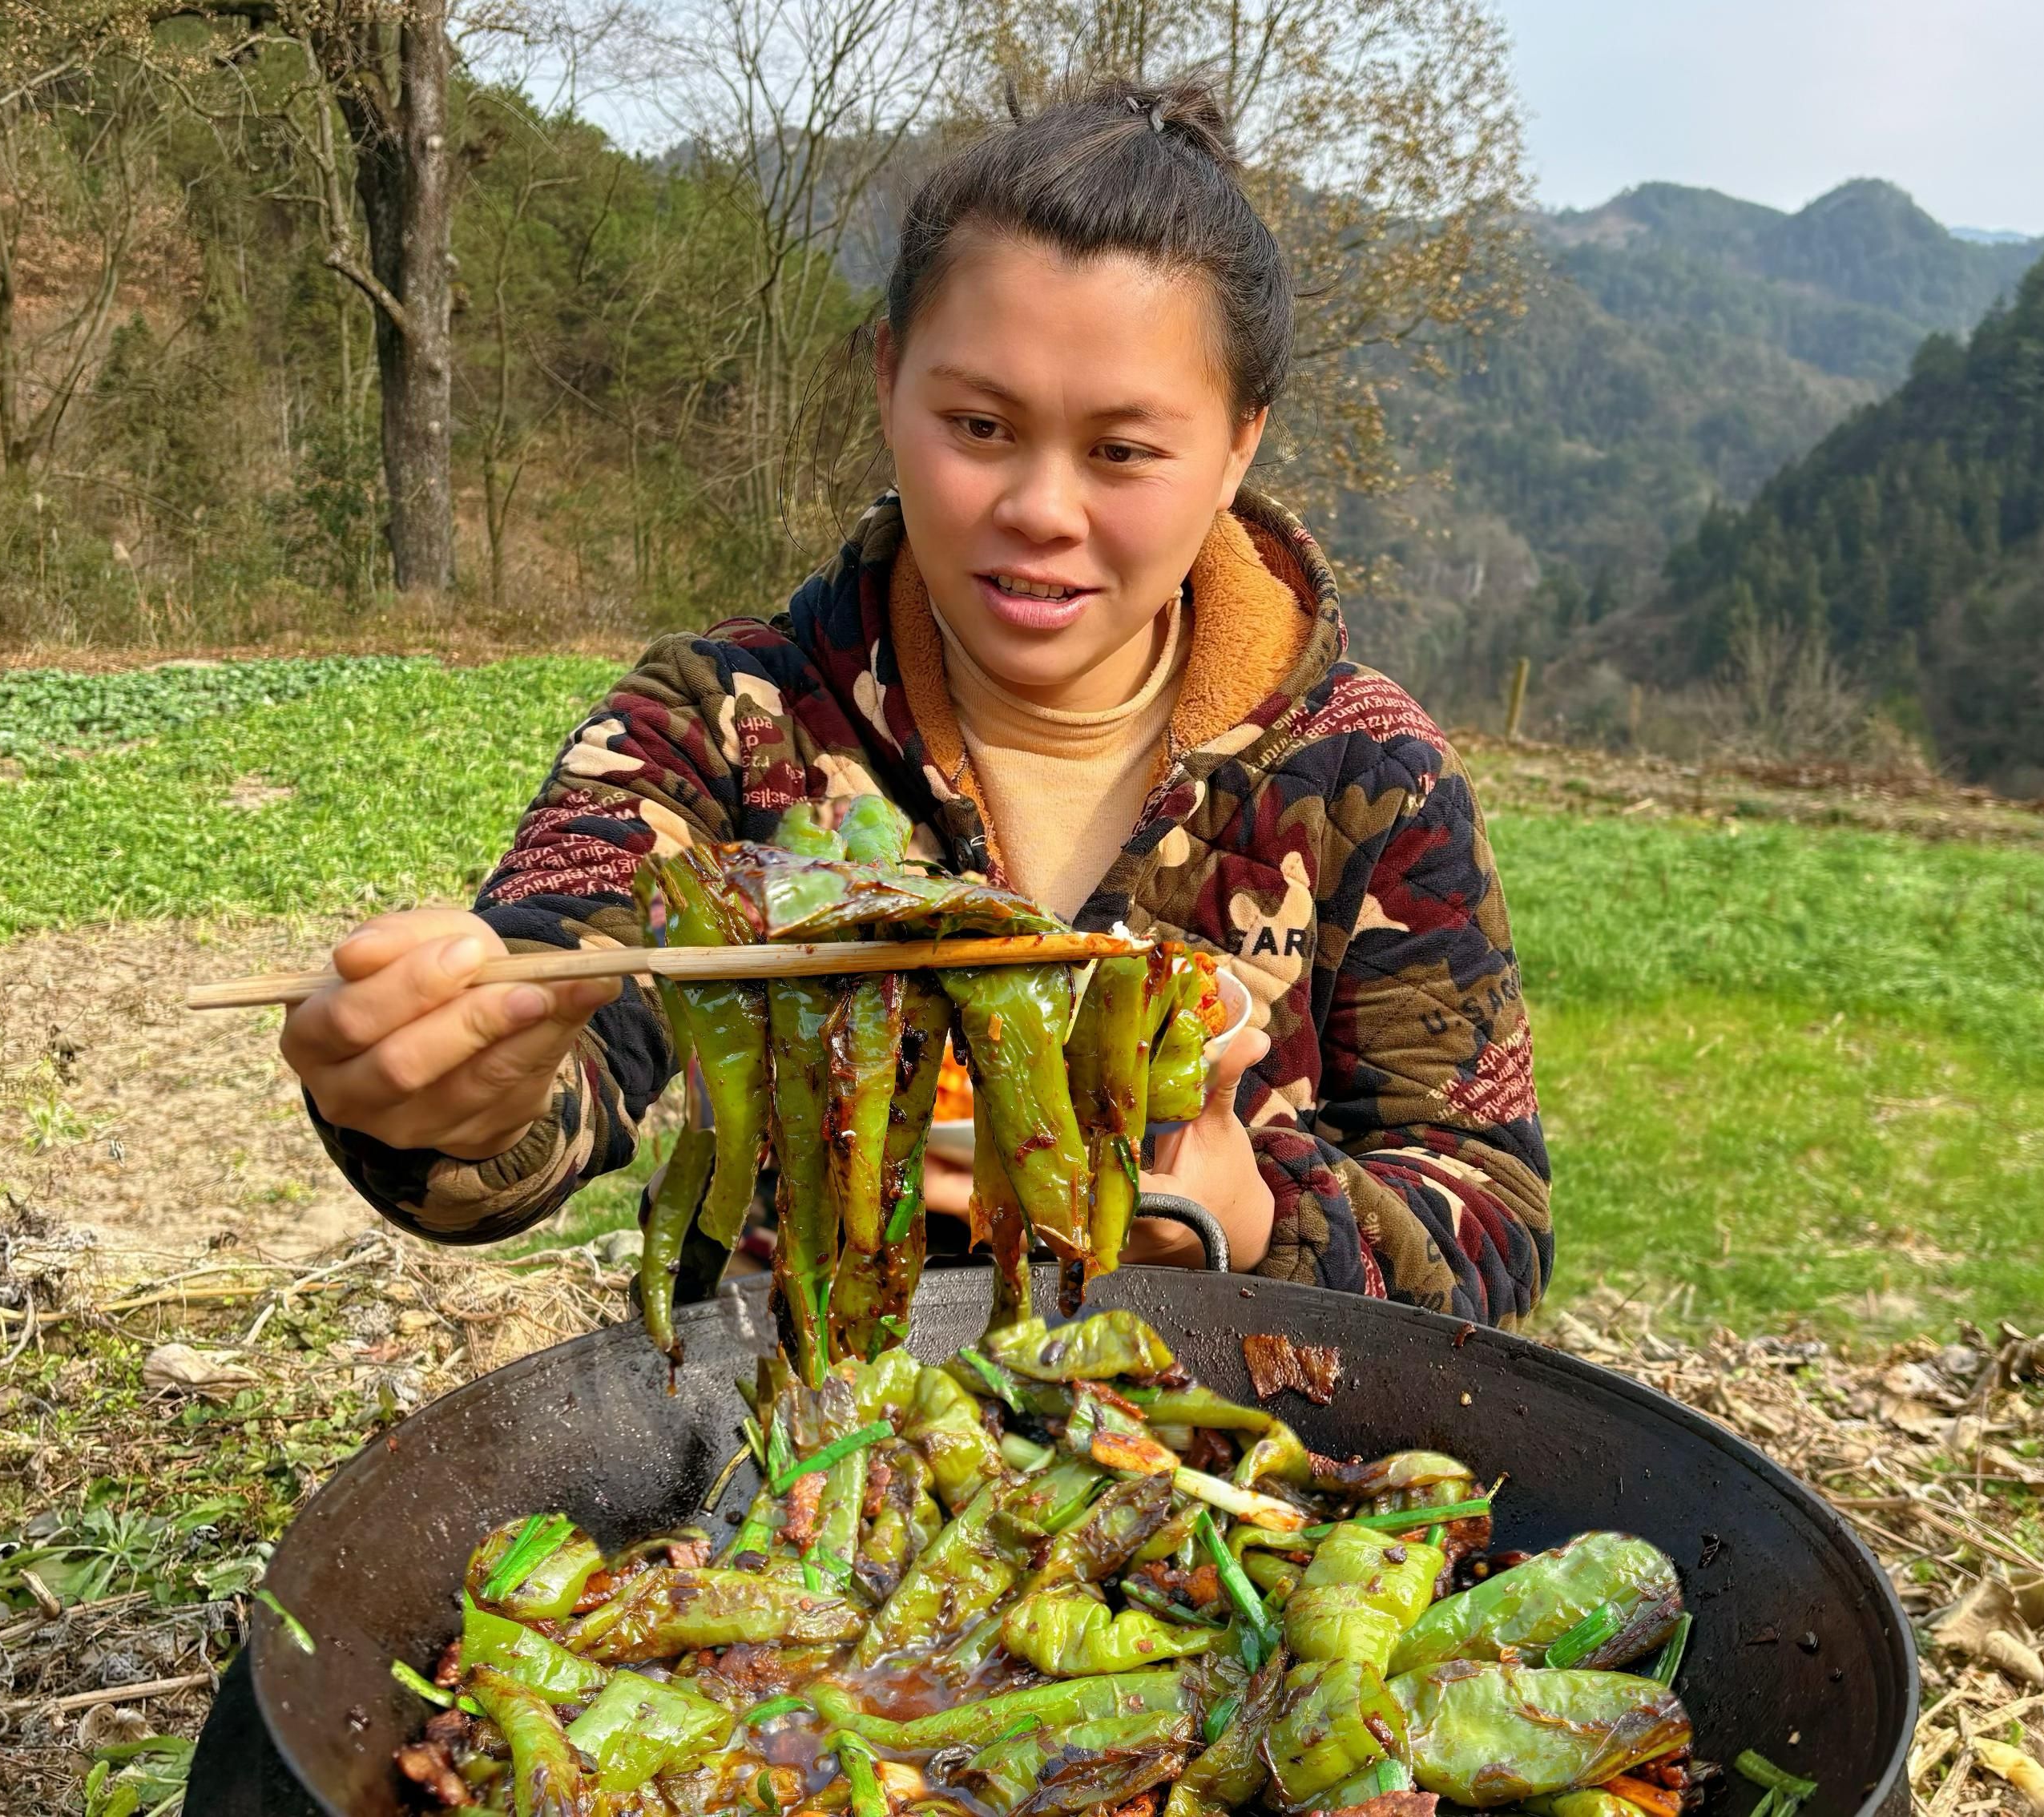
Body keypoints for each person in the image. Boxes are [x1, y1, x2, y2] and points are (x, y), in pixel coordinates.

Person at [279, 79, 1550, 1324]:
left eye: (1122, 451)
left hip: (1215, 1467)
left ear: (1238, 445)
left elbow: (1489, 1224)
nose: (1042, 511)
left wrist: (1247, 1214)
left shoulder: (1367, 776)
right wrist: (451, 1094)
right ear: (890, 382)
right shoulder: (727, 722)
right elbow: (549, 1039)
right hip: (794, 1456)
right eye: (980, 425)